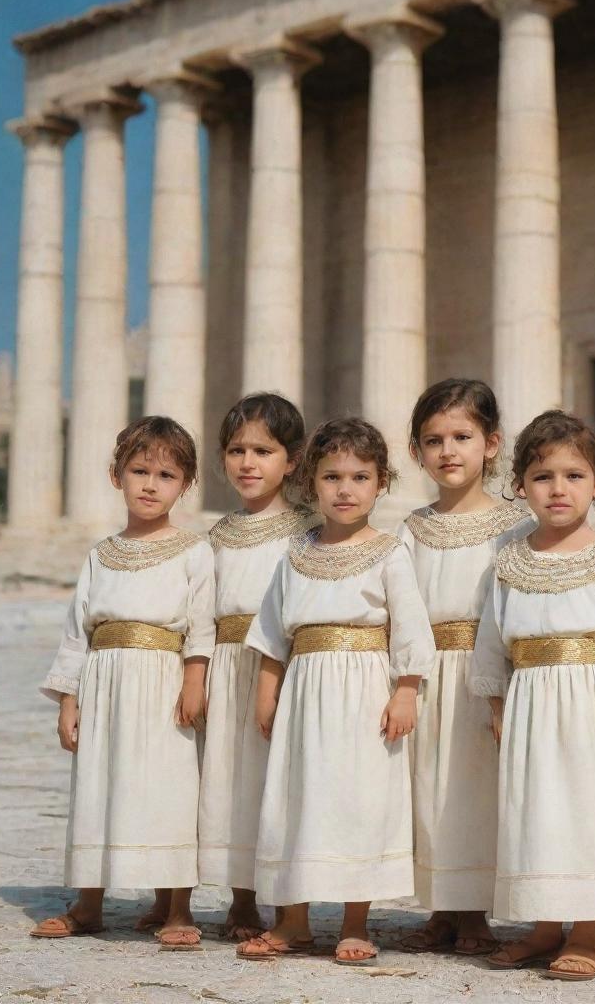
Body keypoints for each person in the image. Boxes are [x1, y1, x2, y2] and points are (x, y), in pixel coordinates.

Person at [236, 418, 435, 964]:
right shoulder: (295, 554)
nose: (345, 489)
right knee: (297, 798)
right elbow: (276, 634)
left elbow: (411, 629)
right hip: (304, 696)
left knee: (359, 802)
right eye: (332, 477)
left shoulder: (391, 553)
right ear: (310, 484)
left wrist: (406, 691)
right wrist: (266, 692)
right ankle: (294, 921)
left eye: (360, 477)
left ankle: (354, 922)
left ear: (381, 484)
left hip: (366, 693)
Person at [472, 409, 595, 981]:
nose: (558, 489)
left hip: (589, 705)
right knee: (536, 812)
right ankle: (544, 924)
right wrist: (498, 702)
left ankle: (585, 931)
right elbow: (491, 637)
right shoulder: (508, 559)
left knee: (586, 812)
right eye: (543, 476)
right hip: (529, 702)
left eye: (574, 476)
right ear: (521, 484)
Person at [31, 417, 214, 950]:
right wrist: (69, 699)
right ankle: (89, 902)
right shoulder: (100, 554)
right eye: (139, 471)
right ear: (116, 475)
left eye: (166, 475)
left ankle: (176, 906)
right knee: (96, 786)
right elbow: (77, 631)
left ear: (185, 485)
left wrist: (195, 679)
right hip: (104, 683)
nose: (151, 484)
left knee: (170, 790)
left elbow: (201, 623)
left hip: (163, 687)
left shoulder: (193, 550)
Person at [398, 379, 532, 956]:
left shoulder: (518, 525)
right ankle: (443, 905)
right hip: (428, 673)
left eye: (462, 436)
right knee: (432, 788)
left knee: (479, 789)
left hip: (487, 673)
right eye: (434, 440)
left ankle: (477, 908)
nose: (448, 450)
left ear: (492, 443)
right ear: (417, 452)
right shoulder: (410, 527)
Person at [198, 393, 316, 940]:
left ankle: (289, 903)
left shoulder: (307, 535)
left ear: (291, 461)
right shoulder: (214, 538)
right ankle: (240, 899)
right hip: (226, 669)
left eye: (264, 450)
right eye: (237, 450)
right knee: (228, 781)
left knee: (280, 784)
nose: (249, 462)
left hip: (283, 672)